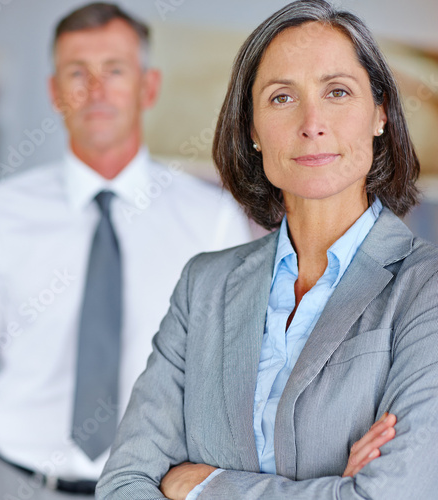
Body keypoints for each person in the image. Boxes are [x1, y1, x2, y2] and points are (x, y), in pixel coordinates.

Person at [97, 1, 438, 498]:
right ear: (253, 129)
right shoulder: (204, 286)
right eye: (282, 98)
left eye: (338, 91)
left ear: (380, 113)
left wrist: (202, 484)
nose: (312, 122)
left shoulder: (425, 289)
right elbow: (123, 484)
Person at [0, 3, 251, 499]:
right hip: (13, 483)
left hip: (149, 488)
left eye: (115, 70)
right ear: (54, 91)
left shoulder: (212, 223)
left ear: (148, 87)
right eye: (77, 72)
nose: (96, 89)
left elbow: (233, 384)